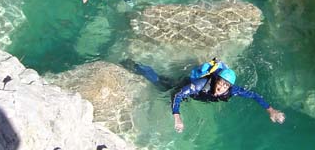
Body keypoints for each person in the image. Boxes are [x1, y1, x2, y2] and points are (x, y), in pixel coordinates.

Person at [121, 57, 285, 133]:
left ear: (230, 87)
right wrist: (177, 116)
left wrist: (270, 110)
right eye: (220, 82)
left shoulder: (232, 90)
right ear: (216, 80)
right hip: (183, 86)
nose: (221, 87)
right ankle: (136, 66)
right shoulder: (200, 85)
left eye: (225, 85)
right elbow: (178, 95)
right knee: (160, 83)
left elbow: (254, 95)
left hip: (199, 94)